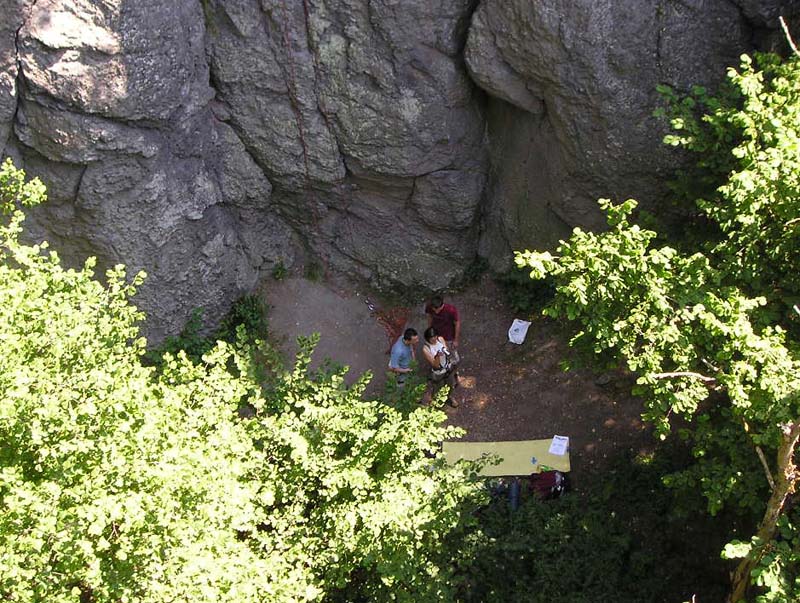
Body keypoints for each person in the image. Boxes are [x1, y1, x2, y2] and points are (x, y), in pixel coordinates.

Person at [425, 294, 461, 379]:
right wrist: (429, 329)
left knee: (451, 353)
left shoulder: (451, 310)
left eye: (438, 309)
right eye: (434, 309)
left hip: (448, 336)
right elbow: (429, 316)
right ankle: (441, 365)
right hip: (436, 334)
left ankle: (455, 370)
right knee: (436, 351)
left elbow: (457, 324)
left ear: (442, 305)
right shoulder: (430, 307)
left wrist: (456, 339)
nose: (436, 311)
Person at [422, 326, 459, 407]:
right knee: (438, 387)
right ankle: (435, 400)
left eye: (435, 336)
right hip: (438, 371)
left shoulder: (440, 339)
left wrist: (445, 351)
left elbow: (446, 350)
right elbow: (435, 364)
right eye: (432, 337)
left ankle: (450, 397)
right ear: (428, 338)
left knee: (450, 384)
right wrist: (437, 356)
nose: (434, 339)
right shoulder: (426, 348)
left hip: (448, 368)